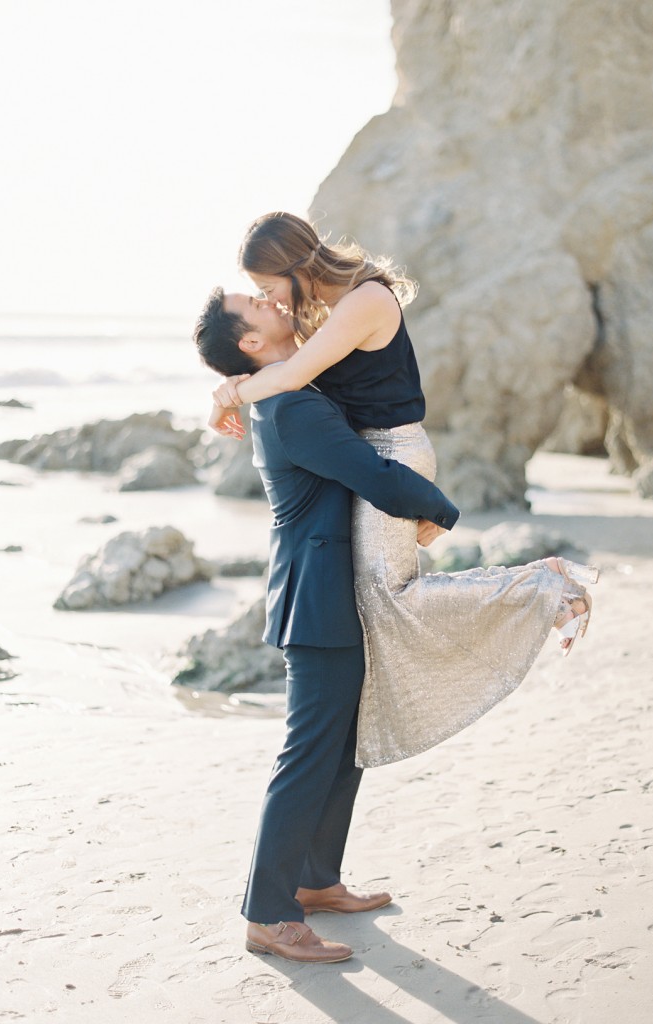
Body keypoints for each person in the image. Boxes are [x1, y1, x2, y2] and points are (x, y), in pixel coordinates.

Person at [208, 212, 598, 770]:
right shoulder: (327, 307)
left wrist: (232, 392)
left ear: (295, 267)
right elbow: (299, 374)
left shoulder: (363, 300)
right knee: (386, 597)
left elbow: (294, 377)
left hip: (393, 454)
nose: (271, 300)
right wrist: (231, 385)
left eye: (269, 287)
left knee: (390, 594)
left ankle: (545, 587)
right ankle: (541, 590)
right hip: (380, 455)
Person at [193, 288, 461, 963]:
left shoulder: (287, 387)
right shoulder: (292, 406)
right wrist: (440, 509)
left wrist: (231, 388)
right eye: (254, 303)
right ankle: (267, 913)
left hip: (328, 588)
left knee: (343, 745)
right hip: (316, 598)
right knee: (310, 753)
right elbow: (373, 475)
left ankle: (315, 880)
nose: (269, 299)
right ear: (250, 342)